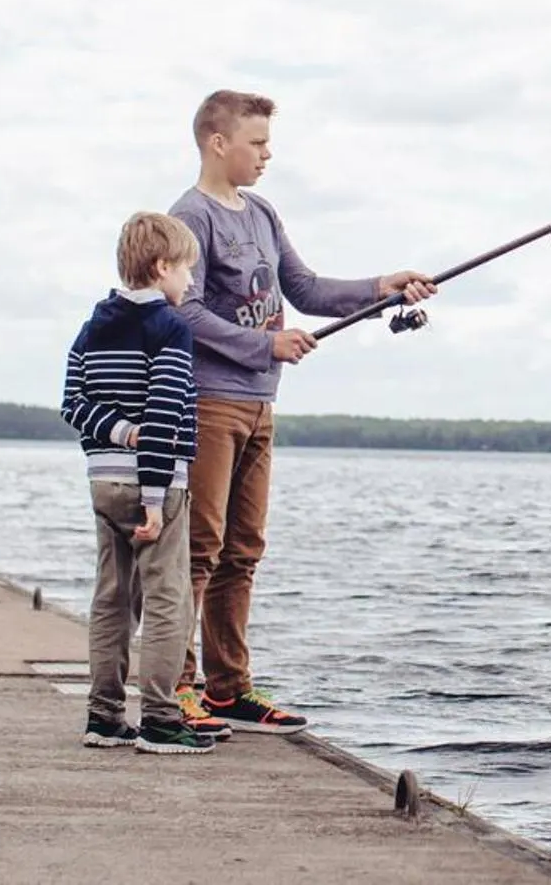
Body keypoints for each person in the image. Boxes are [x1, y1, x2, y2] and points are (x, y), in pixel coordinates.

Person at [169, 89, 435, 736]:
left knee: (243, 551)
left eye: (268, 143)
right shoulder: (190, 217)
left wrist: (382, 288)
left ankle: (229, 690)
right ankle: (175, 688)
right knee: (199, 549)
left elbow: (307, 289)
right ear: (218, 143)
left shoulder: (262, 212)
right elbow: (185, 311)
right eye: (257, 143)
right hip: (210, 403)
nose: (267, 155)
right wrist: (265, 344)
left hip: (261, 404)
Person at [59, 211, 211, 754]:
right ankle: (162, 719)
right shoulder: (170, 329)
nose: (190, 281)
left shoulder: (92, 327)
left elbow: (72, 404)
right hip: (157, 486)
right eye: (186, 270)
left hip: (103, 483)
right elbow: (165, 415)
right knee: (169, 598)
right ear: (162, 266)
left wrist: (119, 432)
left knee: (112, 598)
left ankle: (103, 716)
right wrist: (152, 498)